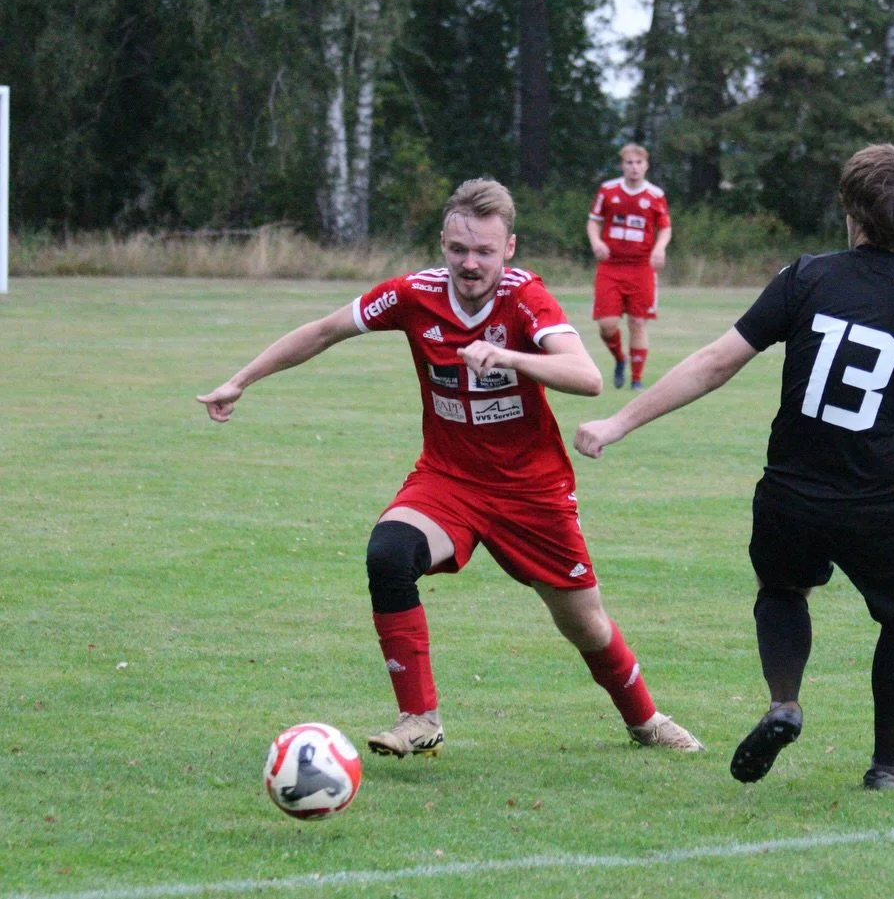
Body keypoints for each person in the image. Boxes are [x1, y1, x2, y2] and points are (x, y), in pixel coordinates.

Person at [199, 178, 702, 759]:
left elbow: (586, 377)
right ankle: (419, 717)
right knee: (388, 553)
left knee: (585, 624)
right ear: (443, 242)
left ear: (507, 249)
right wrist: (241, 380)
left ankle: (646, 720)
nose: (470, 263)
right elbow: (324, 331)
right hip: (448, 480)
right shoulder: (413, 294)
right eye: (459, 249)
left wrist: (510, 356)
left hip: (530, 491)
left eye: (485, 251)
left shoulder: (525, 297)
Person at [575, 145, 894, 791]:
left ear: (852, 213)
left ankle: (785, 702)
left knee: (784, 589)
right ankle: (886, 766)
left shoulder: (808, 276)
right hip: (875, 496)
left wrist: (619, 423)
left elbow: (716, 361)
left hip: (789, 490)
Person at [587, 143, 672, 391]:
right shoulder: (608, 190)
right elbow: (593, 221)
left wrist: (659, 248)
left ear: (646, 165)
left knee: (637, 322)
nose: (634, 168)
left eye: (639, 163)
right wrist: (596, 241)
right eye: (629, 163)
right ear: (622, 165)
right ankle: (620, 359)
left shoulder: (655, 195)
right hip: (611, 267)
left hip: (641, 268)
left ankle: (636, 379)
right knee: (607, 324)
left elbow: (665, 227)